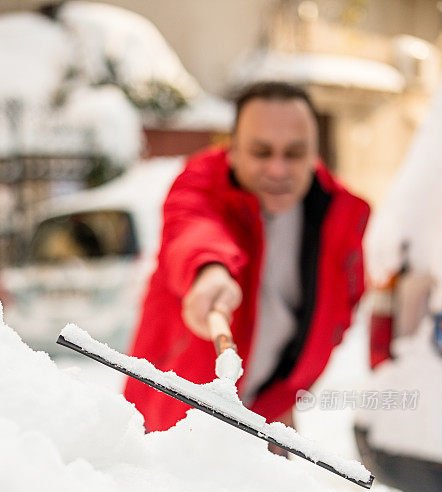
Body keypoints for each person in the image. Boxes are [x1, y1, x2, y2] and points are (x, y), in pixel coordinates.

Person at [124, 82, 370, 436]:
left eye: (295, 153)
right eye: (261, 151)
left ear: (315, 153)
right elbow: (193, 229)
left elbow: (339, 312)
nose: (278, 169)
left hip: (268, 418)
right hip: (174, 420)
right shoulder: (201, 182)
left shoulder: (341, 216)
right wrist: (209, 273)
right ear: (233, 150)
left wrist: (283, 397)